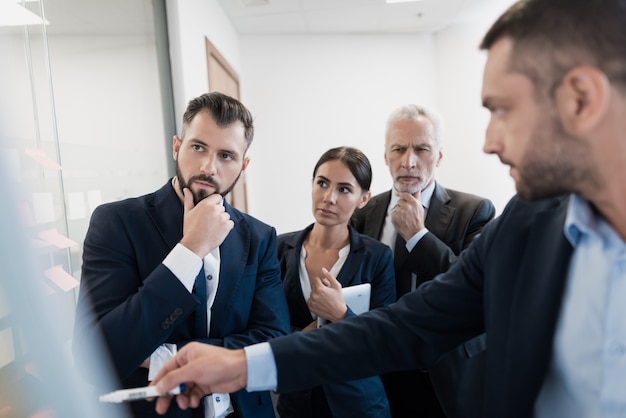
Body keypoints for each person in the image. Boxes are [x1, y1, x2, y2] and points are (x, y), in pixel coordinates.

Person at [151, 0, 626, 416]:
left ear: (581, 100)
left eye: (502, 110)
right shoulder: (528, 224)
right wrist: (242, 364)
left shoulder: (487, 213)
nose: (489, 142)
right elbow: (406, 324)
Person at [72, 92, 290, 418]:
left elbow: (273, 340)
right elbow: (97, 354)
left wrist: (164, 357)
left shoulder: (259, 237)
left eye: (226, 156)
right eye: (198, 147)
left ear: (244, 165)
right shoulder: (117, 222)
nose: (208, 167)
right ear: (177, 146)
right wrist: (190, 250)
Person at [351, 105, 495, 417]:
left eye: (422, 149)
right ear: (386, 155)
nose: (409, 161)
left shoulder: (475, 211)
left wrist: (418, 236)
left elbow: (474, 287)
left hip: (444, 378)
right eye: (399, 149)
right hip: (380, 373)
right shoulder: (364, 212)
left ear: (440, 155)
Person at [276, 146, 396, 418]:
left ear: (363, 199)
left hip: (356, 402)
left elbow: (384, 339)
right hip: (296, 399)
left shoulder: (377, 257)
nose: (328, 198)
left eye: (344, 189)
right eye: (322, 183)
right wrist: (305, 335)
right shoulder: (277, 249)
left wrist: (342, 314)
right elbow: (263, 322)